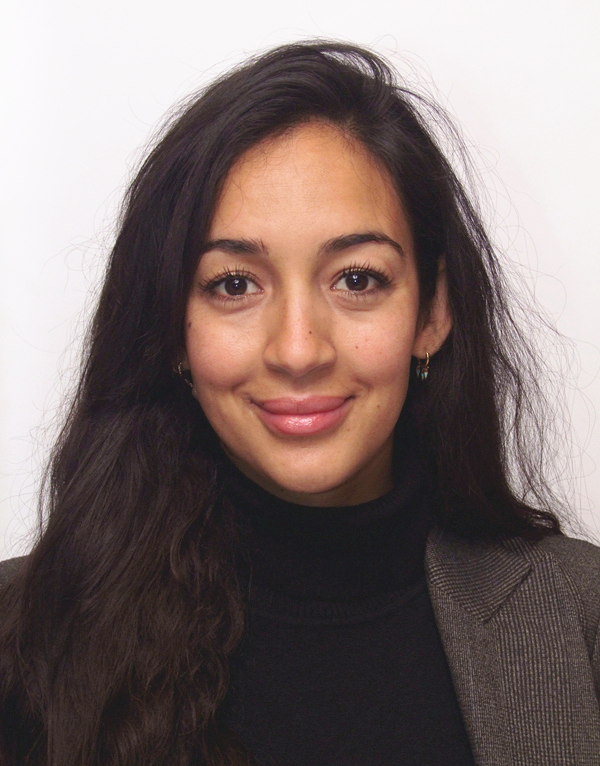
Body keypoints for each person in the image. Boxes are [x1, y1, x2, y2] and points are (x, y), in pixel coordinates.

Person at [0, 41, 598, 766]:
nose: (298, 349)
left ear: (433, 312)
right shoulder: (22, 640)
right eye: (234, 285)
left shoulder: (579, 616)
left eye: (356, 279)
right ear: (172, 327)